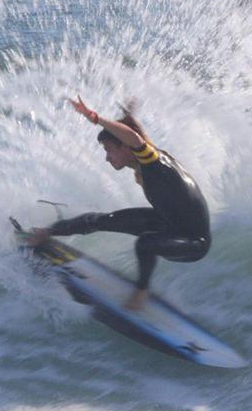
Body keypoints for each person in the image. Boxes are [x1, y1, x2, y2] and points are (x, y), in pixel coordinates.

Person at [27, 97, 211, 311]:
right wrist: (129, 118)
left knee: (146, 244)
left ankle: (140, 294)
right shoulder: (142, 156)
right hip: (168, 223)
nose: (107, 157)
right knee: (102, 220)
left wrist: (94, 118)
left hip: (192, 242)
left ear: (126, 148)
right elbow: (135, 135)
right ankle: (46, 233)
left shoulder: (152, 161)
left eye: (109, 149)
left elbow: (134, 138)